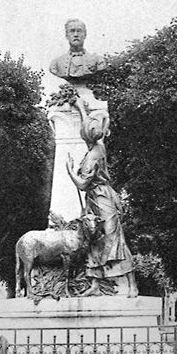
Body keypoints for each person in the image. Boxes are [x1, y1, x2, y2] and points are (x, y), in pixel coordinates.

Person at [66, 115, 138, 297]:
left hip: (102, 201)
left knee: (114, 241)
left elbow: (82, 184)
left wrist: (69, 170)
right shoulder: (99, 145)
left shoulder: (92, 156)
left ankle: (132, 285)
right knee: (94, 241)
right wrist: (82, 108)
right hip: (96, 200)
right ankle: (96, 285)